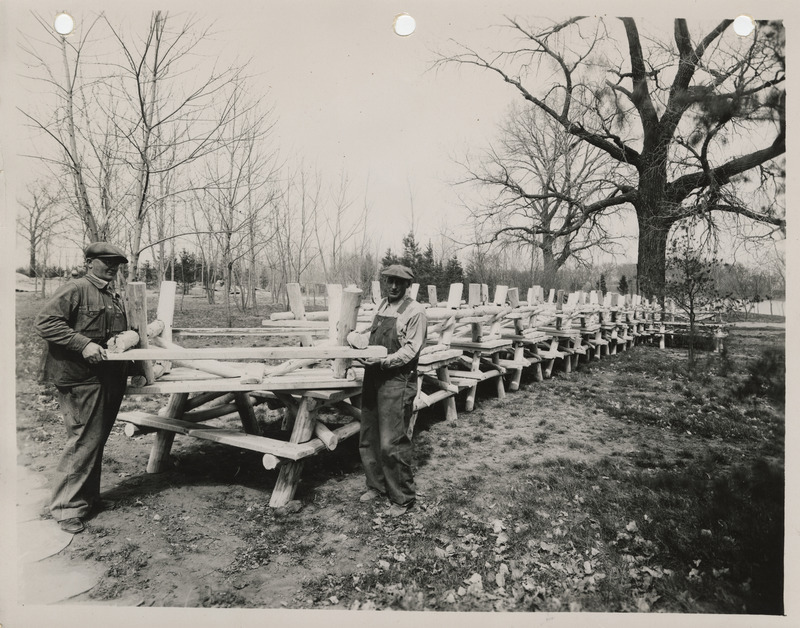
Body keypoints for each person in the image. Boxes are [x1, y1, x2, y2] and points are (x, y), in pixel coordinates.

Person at [34, 242, 130, 534]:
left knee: (95, 440)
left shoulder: (112, 295)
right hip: (79, 378)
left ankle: (88, 500)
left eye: (116, 263)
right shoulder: (75, 289)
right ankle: (66, 508)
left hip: (106, 378)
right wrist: (83, 343)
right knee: (83, 441)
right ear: (89, 262)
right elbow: (45, 323)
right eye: (105, 261)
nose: (112, 267)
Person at [358, 264, 427, 517]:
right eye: (390, 281)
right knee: (369, 435)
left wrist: (383, 361)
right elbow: (371, 336)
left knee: (392, 442)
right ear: (385, 283)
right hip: (373, 377)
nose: (394, 286)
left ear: (408, 285)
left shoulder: (415, 311)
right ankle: (376, 485)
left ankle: (402, 498)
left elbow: (411, 350)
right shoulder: (382, 306)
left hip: (398, 379)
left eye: (400, 282)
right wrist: (356, 340)